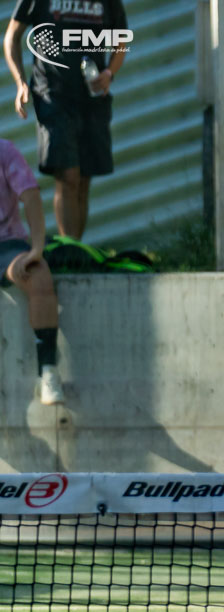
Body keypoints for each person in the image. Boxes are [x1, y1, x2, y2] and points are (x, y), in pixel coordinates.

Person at [4, 0, 128, 239]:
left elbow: (120, 40)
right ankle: (70, 248)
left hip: (92, 98)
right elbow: (12, 37)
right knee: (68, 176)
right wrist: (20, 82)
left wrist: (109, 73)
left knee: (83, 180)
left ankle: (75, 249)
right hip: (52, 95)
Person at [0, 136, 63, 404]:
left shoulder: (4, 151)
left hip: (7, 246)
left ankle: (48, 372)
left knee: (38, 275)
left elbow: (30, 195)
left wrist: (37, 248)